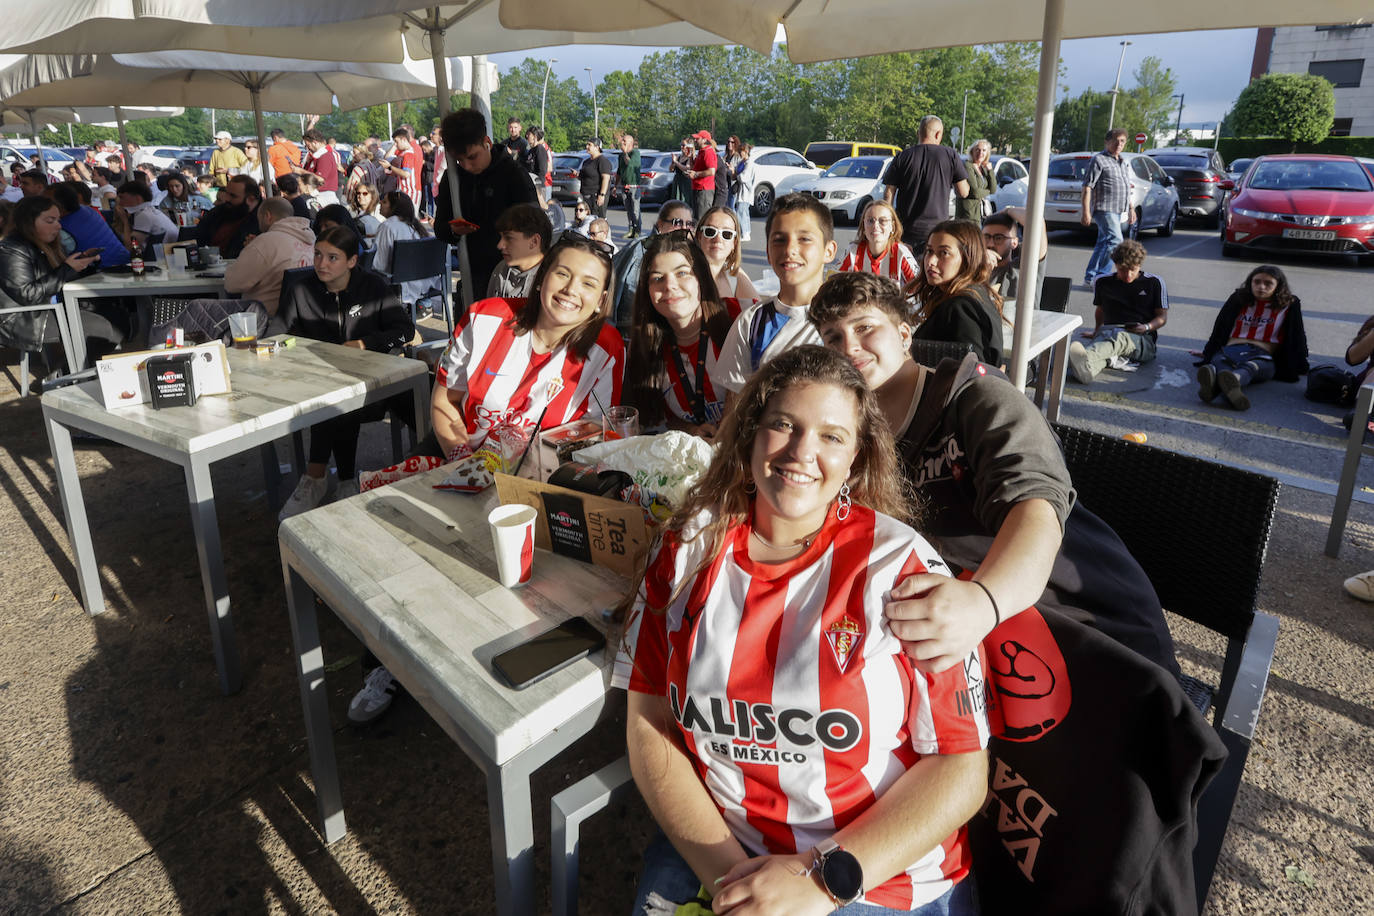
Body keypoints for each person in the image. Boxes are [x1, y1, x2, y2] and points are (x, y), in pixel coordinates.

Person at [617, 344, 989, 916]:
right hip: (723, 844)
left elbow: (963, 770)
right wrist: (732, 884)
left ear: (857, 458)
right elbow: (648, 723)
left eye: (831, 436)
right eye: (784, 425)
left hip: (875, 872)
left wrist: (819, 882)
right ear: (750, 434)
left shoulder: (903, 572)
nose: (801, 452)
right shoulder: (687, 547)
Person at [810, 270, 1179, 674]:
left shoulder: (980, 400)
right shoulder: (853, 433)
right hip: (966, 645)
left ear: (903, 334)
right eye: (832, 337)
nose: (849, 347)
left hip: (1087, 632)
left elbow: (1034, 511)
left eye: (865, 327)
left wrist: (982, 602)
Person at [346, 234, 625, 725]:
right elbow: (444, 403)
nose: (569, 291)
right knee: (415, 556)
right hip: (458, 457)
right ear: (543, 277)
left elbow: (591, 438)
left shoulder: (605, 348)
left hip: (539, 482)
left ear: (602, 299)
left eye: (588, 283)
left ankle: (474, 651)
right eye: (562, 274)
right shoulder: (488, 315)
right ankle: (390, 660)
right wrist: (464, 462)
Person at [275, 226, 414, 519]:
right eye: (317, 255)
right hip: (318, 384)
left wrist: (365, 344)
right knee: (334, 397)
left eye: (332, 257)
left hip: (375, 385)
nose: (321, 264)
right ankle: (341, 481)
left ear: (352, 261)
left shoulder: (373, 287)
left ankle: (322, 478)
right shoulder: (301, 289)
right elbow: (278, 333)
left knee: (341, 398)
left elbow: (405, 330)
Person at [715, 193, 835, 401]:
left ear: (829, 250)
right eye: (779, 240)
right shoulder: (751, 323)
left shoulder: (849, 319)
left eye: (804, 239)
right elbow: (734, 410)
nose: (790, 250)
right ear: (768, 252)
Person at [623, 231, 739, 439]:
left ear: (701, 279)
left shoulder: (739, 320)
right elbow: (656, 417)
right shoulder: (644, 346)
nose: (669, 286)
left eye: (682, 273)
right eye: (657, 278)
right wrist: (691, 431)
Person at [0, 195, 123, 369]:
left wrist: (83, 265)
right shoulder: (12, 249)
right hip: (22, 318)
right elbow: (27, 295)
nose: (58, 225)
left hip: (48, 308)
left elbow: (57, 279)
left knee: (118, 318)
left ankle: (74, 370)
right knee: (102, 328)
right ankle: (68, 375)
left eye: (58, 219)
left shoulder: (45, 244)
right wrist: (66, 268)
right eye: (50, 220)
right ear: (28, 221)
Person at [433, 107, 539, 303]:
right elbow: (440, 228)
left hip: (512, 277)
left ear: (487, 143)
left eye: (472, 157)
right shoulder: (453, 177)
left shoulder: (514, 173)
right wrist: (454, 230)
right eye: (459, 160)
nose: (466, 165)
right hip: (471, 273)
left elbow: (535, 224)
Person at [1195, 265, 1309, 411]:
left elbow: (1297, 334)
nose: (1261, 287)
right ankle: (1228, 385)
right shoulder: (1238, 298)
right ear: (1250, 282)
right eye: (1257, 282)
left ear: (1278, 286)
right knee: (1221, 362)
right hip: (1231, 350)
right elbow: (1220, 327)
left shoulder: (1289, 304)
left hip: (1262, 354)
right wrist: (1208, 352)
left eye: (1268, 284)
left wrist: (1301, 362)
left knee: (1252, 367)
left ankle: (1220, 385)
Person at [906, 218, 1004, 366]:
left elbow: (975, 371)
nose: (931, 260)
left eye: (944, 253)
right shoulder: (974, 293)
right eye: (929, 251)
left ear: (967, 258)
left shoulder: (961, 307)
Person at [1068, 238, 1167, 384]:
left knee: (1119, 338)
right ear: (1115, 265)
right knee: (1106, 351)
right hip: (1109, 332)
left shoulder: (1154, 282)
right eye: (1122, 270)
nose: (1128, 276)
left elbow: (1162, 317)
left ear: (1139, 265)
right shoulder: (1102, 281)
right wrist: (1096, 332)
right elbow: (1100, 310)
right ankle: (1086, 372)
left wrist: (1146, 327)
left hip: (1142, 339)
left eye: (1132, 270)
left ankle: (1083, 358)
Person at [883, 116, 970, 253]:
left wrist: (887, 222)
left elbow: (889, 192)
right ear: (938, 134)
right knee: (932, 271)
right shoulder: (950, 155)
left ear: (918, 133)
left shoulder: (903, 156)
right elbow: (963, 192)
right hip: (938, 230)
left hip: (905, 229)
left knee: (905, 270)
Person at [610, 199, 695, 331]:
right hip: (637, 329)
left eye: (689, 224)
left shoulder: (689, 252)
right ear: (660, 225)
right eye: (677, 223)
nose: (684, 228)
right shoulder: (641, 250)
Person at [223, 196, 315, 318]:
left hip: (264, 318)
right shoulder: (310, 239)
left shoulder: (265, 242)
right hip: (300, 316)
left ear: (267, 216)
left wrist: (253, 249)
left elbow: (232, 284)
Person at [1080, 128, 1136, 288]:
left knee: (1103, 243)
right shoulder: (1098, 160)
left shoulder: (1123, 162)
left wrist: (1131, 208)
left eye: (1123, 141)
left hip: (1118, 209)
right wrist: (1085, 212)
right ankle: (1102, 278)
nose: (1119, 144)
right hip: (1104, 208)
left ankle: (1089, 278)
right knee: (1116, 242)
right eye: (1116, 140)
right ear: (1107, 142)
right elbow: (1087, 187)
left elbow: (1126, 187)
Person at [373, 191, 437, 317]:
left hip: (399, 286)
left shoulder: (388, 226)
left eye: (385, 202)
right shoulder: (415, 226)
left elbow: (379, 265)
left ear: (394, 207)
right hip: (423, 283)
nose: (380, 203)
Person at [838, 199, 918, 288]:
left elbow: (918, 289)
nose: (875, 226)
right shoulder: (853, 251)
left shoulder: (901, 253)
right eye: (870, 221)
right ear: (863, 226)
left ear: (892, 226)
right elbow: (835, 285)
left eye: (882, 221)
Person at [51, 182, 130, 268]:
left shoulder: (61, 229)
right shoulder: (89, 210)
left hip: (103, 272)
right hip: (124, 261)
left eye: (46, 201)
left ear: (60, 206)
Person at [486, 203, 551, 299]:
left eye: (509, 238)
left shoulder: (551, 279)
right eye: (501, 237)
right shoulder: (500, 270)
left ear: (534, 241)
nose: (500, 245)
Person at [982, 206, 1047, 301]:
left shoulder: (1024, 268)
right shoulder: (972, 269)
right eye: (986, 237)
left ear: (1014, 243)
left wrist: (1008, 210)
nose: (990, 244)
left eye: (998, 238)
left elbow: (1037, 221)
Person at [695, 205, 758, 302]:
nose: (718, 239)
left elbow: (759, 312)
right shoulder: (685, 274)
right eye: (710, 231)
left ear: (734, 243)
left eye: (727, 234)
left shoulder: (735, 275)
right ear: (699, 237)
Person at [193, 174, 261, 259]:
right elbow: (198, 238)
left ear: (250, 199)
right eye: (227, 194)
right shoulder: (217, 213)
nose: (227, 199)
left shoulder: (264, 220)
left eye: (233, 196)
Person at [113, 181, 180, 246]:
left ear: (138, 198)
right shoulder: (151, 211)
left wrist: (125, 221)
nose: (120, 203)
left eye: (122, 198)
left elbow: (133, 245)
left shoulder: (143, 215)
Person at [295, 129, 340, 206]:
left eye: (308, 145)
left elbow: (320, 178)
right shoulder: (318, 156)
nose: (307, 148)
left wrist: (300, 171)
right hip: (318, 195)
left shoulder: (325, 156)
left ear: (315, 143)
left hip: (324, 197)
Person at [956, 139, 994, 223]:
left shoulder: (984, 168)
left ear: (987, 153)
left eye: (984, 150)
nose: (981, 153)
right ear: (972, 151)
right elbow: (975, 192)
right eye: (977, 150)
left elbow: (993, 189)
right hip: (968, 215)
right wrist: (988, 191)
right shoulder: (968, 166)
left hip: (980, 214)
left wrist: (990, 171)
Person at [384, 127, 421, 209]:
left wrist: (390, 167)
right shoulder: (403, 152)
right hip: (404, 191)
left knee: (409, 219)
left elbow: (406, 174)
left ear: (404, 139)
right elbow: (387, 157)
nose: (395, 144)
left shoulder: (408, 154)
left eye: (396, 142)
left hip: (410, 191)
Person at [686, 130, 718, 221]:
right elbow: (694, 167)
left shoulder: (708, 152)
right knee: (696, 218)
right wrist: (691, 156)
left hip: (704, 190)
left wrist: (696, 174)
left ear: (704, 140)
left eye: (697, 138)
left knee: (702, 219)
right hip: (697, 188)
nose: (695, 140)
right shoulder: (701, 151)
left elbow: (711, 171)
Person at [579, 139, 614, 219]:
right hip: (586, 195)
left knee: (597, 220)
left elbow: (606, 178)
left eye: (589, 145)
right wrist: (577, 174)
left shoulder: (602, 161)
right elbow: (584, 176)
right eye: (587, 144)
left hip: (596, 196)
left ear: (597, 147)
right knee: (587, 219)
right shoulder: (586, 161)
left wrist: (602, 195)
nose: (587, 147)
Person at [617, 131, 643, 239]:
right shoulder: (620, 155)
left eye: (624, 141)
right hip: (624, 186)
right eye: (622, 140)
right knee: (628, 210)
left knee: (635, 210)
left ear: (631, 143)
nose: (622, 142)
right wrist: (615, 186)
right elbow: (619, 171)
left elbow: (630, 163)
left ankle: (637, 230)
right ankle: (631, 229)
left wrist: (625, 153)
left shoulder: (635, 153)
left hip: (634, 186)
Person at [733, 142, 756, 242]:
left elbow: (743, 177)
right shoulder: (742, 162)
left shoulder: (749, 164)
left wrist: (735, 173)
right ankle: (746, 232)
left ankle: (745, 233)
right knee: (744, 213)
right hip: (742, 192)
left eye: (741, 151)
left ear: (746, 151)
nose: (740, 153)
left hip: (745, 193)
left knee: (741, 213)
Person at [525, 126, 552, 207]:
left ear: (535, 136)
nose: (526, 136)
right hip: (530, 187)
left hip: (538, 188)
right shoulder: (530, 151)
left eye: (528, 134)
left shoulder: (540, 149)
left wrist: (538, 190)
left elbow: (542, 171)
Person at [670, 137, 694, 204]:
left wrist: (676, 162)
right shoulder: (679, 157)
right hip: (677, 182)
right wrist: (673, 162)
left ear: (688, 146)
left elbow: (686, 168)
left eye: (683, 145)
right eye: (681, 145)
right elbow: (671, 170)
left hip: (686, 183)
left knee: (685, 202)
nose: (681, 147)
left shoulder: (690, 157)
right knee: (676, 202)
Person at [419, 137, 437, 219]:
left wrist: (425, 163)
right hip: (427, 179)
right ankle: (429, 215)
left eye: (424, 149)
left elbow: (435, 167)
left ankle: (431, 215)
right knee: (427, 199)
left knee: (433, 199)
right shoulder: (425, 155)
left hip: (432, 179)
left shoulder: (435, 153)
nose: (424, 151)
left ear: (428, 146)